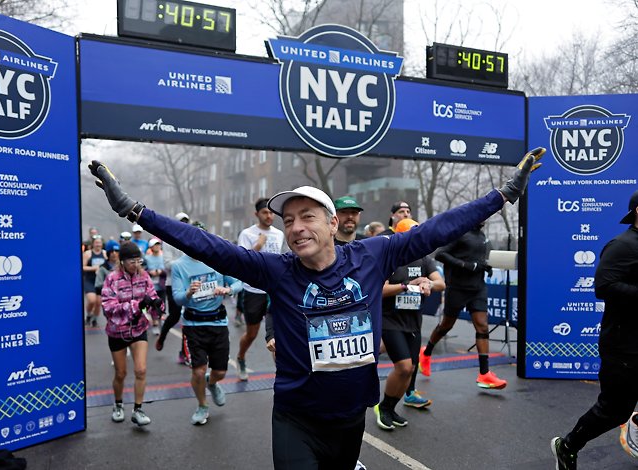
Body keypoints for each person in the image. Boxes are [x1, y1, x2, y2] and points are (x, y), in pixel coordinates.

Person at [88, 147, 542, 468]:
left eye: (307, 217)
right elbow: (209, 247)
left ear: (330, 222)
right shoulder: (276, 270)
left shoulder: (374, 254)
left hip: (350, 416)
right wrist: (134, 210)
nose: (296, 228)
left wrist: (504, 194)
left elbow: (439, 229)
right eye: (288, 221)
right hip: (295, 416)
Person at [551, 189, 638, 470]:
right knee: (614, 410)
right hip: (624, 345)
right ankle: (567, 445)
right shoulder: (622, 245)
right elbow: (603, 287)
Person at [418, 218, 507, 388]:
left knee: (482, 326)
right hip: (457, 287)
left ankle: (484, 373)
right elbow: (440, 254)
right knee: (446, 325)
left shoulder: (482, 236)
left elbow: (479, 258)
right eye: (483, 215)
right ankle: (426, 352)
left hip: (478, 288)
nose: (485, 219)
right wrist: (466, 265)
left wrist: (486, 266)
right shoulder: (459, 232)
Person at [374, 219, 445, 431]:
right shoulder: (390, 258)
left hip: (413, 321)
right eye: (413, 235)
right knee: (403, 366)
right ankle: (383, 407)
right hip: (390, 319)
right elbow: (380, 289)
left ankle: (389, 407)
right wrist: (406, 286)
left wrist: (427, 282)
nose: (418, 239)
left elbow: (441, 283)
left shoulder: (424, 259)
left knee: (411, 369)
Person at [171, 223, 242, 425]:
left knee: (219, 372)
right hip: (193, 325)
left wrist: (228, 290)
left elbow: (238, 282)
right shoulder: (178, 266)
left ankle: (212, 383)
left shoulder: (216, 260)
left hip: (218, 322)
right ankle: (202, 406)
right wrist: (188, 293)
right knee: (198, 370)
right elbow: (177, 299)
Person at [101, 242, 163, 427]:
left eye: (139, 260)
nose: (136, 265)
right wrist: (137, 305)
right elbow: (108, 308)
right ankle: (118, 404)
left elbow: (151, 298)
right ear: (122, 261)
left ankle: (138, 409)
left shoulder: (144, 277)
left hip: (138, 329)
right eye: (132, 261)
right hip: (117, 331)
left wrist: (157, 306)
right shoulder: (112, 279)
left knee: (141, 370)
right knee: (121, 373)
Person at [236, 198, 286, 381]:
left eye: (271, 212)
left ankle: (283, 372)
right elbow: (241, 262)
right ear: (257, 214)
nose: (269, 215)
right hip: (253, 291)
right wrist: (258, 245)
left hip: (274, 290)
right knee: (252, 334)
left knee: (277, 334)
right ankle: (241, 357)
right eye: (265, 212)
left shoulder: (279, 234)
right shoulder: (247, 234)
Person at [156, 212, 191, 366]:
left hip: (189, 284)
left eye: (186, 222)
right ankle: (162, 335)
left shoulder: (190, 239)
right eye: (181, 222)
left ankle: (184, 352)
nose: (183, 224)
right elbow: (167, 264)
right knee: (175, 316)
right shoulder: (168, 240)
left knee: (188, 318)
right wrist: (184, 264)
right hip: (173, 284)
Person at [83, 236, 106, 327]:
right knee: (92, 300)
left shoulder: (104, 253)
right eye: (96, 242)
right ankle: (88, 315)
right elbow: (83, 267)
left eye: (99, 243)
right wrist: (94, 268)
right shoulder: (88, 254)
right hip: (90, 280)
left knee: (98, 302)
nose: (98, 244)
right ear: (93, 244)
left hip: (100, 282)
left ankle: (95, 319)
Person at [145, 238, 166, 335]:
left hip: (162, 284)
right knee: (153, 305)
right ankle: (155, 324)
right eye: (155, 245)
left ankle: (160, 320)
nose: (157, 246)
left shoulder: (164, 257)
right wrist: (150, 272)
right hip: (151, 286)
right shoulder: (147, 258)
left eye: (158, 244)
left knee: (162, 304)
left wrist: (161, 272)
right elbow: (143, 270)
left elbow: (168, 269)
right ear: (151, 247)